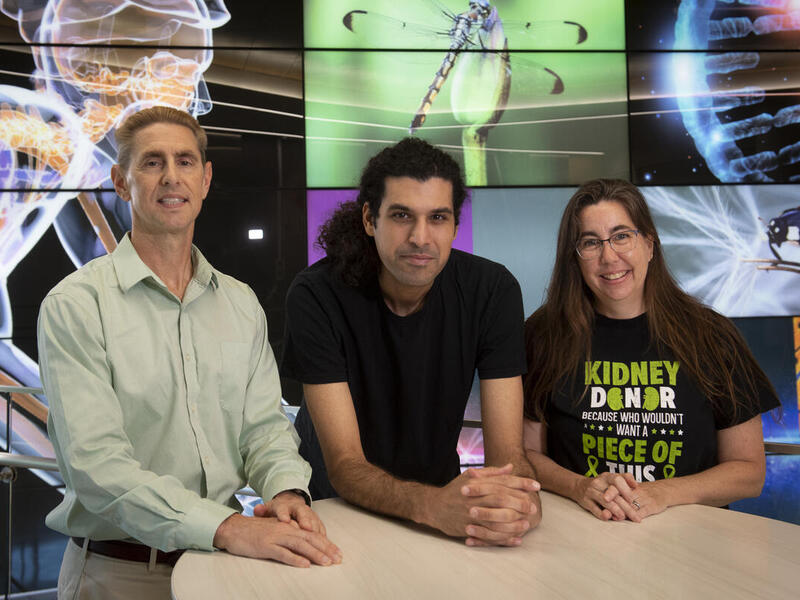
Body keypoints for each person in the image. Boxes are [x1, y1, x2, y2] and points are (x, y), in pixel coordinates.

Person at [37, 106, 341, 599]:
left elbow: (264, 429)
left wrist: (286, 489)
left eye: (184, 161)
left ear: (205, 179)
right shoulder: (76, 306)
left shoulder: (241, 303)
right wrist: (227, 527)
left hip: (225, 567)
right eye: (152, 162)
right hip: (120, 574)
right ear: (121, 181)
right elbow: (97, 468)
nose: (171, 177)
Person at [281, 137, 540, 548]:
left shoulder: (492, 290)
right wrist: (434, 506)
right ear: (370, 219)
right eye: (402, 215)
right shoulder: (316, 295)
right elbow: (346, 466)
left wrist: (520, 498)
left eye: (438, 217)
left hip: (441, 514)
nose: (421, 237)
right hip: (333, 515)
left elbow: (507, 456)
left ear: (456, 225)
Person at [523, 178, 779, 522]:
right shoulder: (543, 334)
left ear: (649, 245)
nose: (609, 256)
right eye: (590, 242)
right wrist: (580, 487)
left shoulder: (712, 335)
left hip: (691, 546)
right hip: (581, 537)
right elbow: (526, 454)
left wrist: (662, 492)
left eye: (621, 236)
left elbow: (749, 472)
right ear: (575, 257)